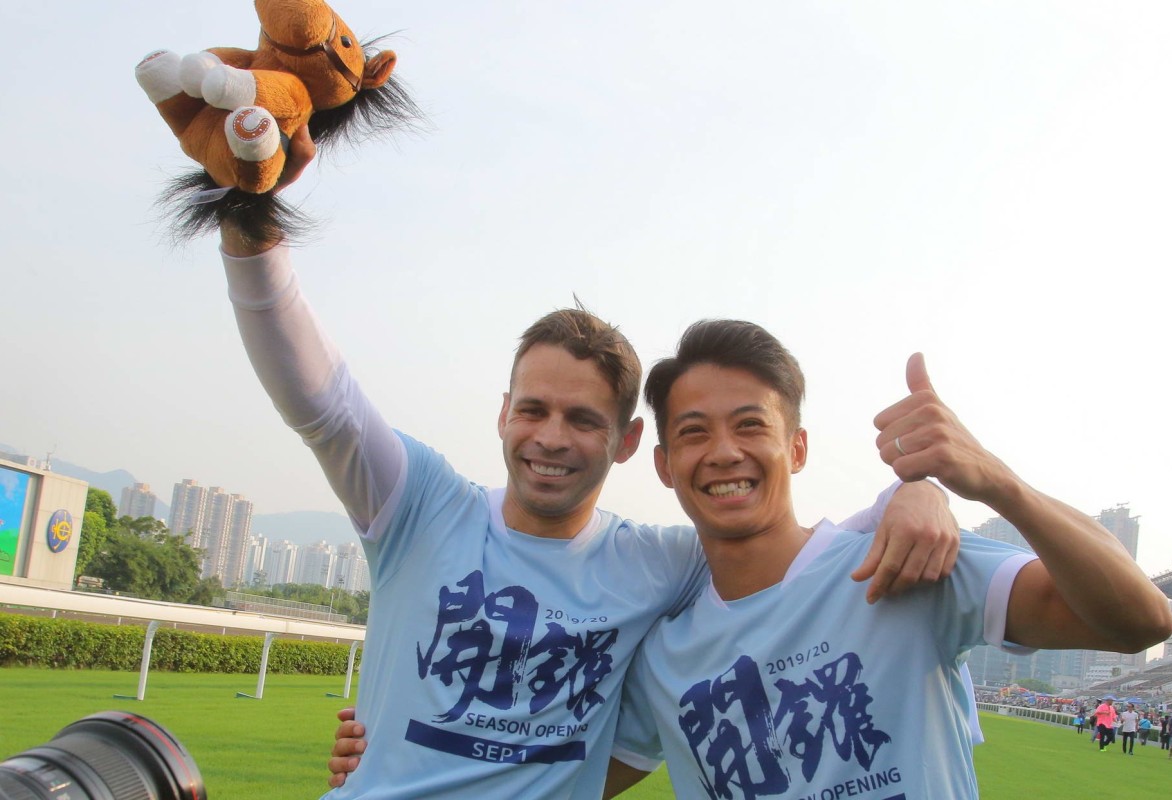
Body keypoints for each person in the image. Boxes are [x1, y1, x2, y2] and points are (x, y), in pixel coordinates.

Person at [216, 146, 959, 799]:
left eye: (583, 421)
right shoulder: (421, 508)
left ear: (629, 442)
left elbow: (791, 547)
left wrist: (912, 491)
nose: (551, 438)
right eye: (533, 410)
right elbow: (322, 400)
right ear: (502, 413)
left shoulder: (658, 563)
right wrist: (248, 212)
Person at [601, 321, 1172, 797]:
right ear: (664, 466)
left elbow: (1143, 620)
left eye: (751, 425)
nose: (725, 453)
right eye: (695, 433)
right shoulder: (664, 659)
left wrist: (996, 481)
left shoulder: (908, 559)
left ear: (797, 448)